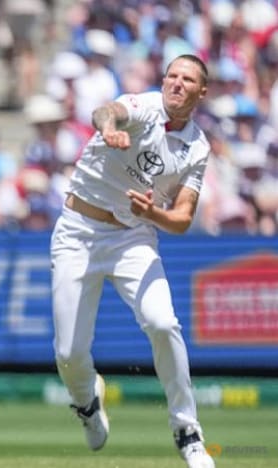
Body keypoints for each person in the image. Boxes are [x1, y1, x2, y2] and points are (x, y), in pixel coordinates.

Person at [50, 54, 215, 468]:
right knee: (69, 352)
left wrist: (151, 214)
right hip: (78, 231)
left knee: (163, 322)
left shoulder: (197, 147)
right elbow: (107, 111)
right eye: (172, 76)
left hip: (134, 237)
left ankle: (188, 431)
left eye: (188, 79)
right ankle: (87, 403)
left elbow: (180, 219)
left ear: (201, 92)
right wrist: (108, 128)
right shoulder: (143, 108)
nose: (177, 83)